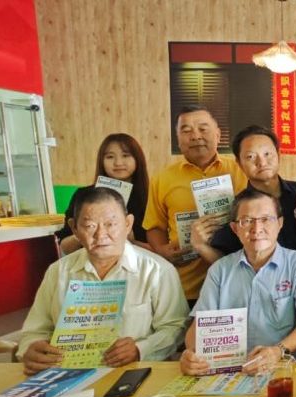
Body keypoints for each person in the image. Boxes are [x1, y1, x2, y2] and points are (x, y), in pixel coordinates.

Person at [19, 187, 189, 374]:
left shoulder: (157, 271)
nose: (101, 235)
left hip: (135, 373)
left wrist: (140, 349)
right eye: (90, 226)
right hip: (67, 374)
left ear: (128, 224)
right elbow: (35, 330)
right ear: (74, 228)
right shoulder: (58, 272)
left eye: (110, 224)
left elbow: (176, 327)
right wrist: (31, 349)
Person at [179, 189, 296, 375]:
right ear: (235, 228)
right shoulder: (219, 270)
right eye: (247, 221)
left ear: (280, 223)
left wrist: (277, 352)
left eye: (266, 219)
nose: (257, 229)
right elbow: (199, 326)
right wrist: (191, 354)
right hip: (233, 371)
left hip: (289, 368)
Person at [142, 105, 246, 303]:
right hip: (185, 287)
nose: (196, 136)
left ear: (218, 135)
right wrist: (162, 250)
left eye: (203, 128)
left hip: (235, 282)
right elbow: (155, 227)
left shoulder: (240, 171)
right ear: (178, 139)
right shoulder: (162, 179)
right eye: (186, 130)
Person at [189, 125, 296, 263]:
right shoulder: (236, 208)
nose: (262, 162)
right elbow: (225, 263)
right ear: (239, 163)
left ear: (278, 155)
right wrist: (200, 246)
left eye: (267, 154)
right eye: (250, 156)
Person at [56, 133, 150, 254]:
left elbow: (161, 251)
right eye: (110, 157)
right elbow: (64, 246)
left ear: (137, 159)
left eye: (125, 155)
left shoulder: (150, 197)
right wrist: (85, 233)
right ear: (101, 161)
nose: (118, 162)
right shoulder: (84, 195)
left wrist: (132, 241)